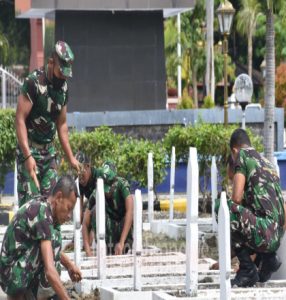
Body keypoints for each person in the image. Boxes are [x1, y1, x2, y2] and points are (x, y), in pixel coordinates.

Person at [15, 41, 80, 208]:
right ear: (51, 63)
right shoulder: (33, 82)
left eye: (66, 75)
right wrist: (28, 157)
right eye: (61, 72)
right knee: (30, 208)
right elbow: (20, 119)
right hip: (30, 152)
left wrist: (71, 157)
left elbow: (62, 125)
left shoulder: (63, 88)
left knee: (51, 206)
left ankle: (49, 235)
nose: (63, 78)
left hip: (49, 154)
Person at [0, 175, 82, 300]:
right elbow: (49, 270)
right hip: (10, 275)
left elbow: (51, 248)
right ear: (59, 197)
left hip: (17, 267)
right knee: (48, 251)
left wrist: (69, 265)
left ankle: (35, 294)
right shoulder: (42, 213)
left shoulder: (46, 210)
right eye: (68, 208)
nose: (69, 215)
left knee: (54, 239)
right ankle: (19, 296)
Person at [227, 128, 285, 287]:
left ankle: (247, 270)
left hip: (264, 234)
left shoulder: (242, 156)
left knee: (225, 207)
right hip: (276, 236)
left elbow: (236, 199)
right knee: (250, 211)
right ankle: (268, 259)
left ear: (234, 150)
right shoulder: (267, 162)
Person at [82, 161, 133, 256]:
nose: (107, 192)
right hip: (109, 233)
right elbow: (85, 223)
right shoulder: (97, 191)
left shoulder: (122, 185)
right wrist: (87, 250)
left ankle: (125, 246)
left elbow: (130, 212)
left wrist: (121, 243)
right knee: (95, 211)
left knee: (132, 216)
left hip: (123, 232)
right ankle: (105, 248)